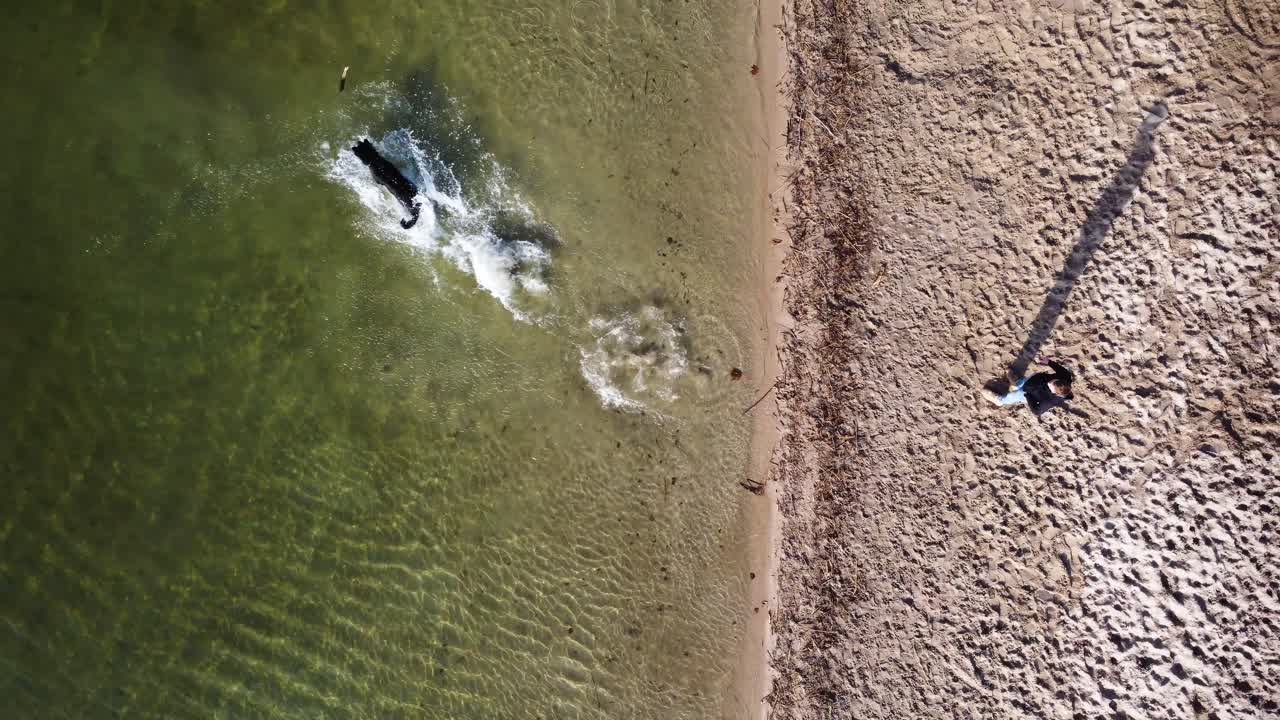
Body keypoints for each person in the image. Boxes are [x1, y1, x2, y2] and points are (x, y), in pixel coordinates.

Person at [985, 356, 1073, 416]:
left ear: (1055, 393)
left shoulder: (1050, 401)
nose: (1048, 383)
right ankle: (1016, 383)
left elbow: (1037, 411)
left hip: (1028, 393)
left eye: (1050, 386)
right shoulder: (1066, 376)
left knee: (1014, 395)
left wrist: (1028, 396)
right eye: (1052, 381)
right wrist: (1049, 362)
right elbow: (1059, 369)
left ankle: (1000, 400)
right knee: (1021, 382)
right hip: (1033, 380)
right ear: (1060, 380)